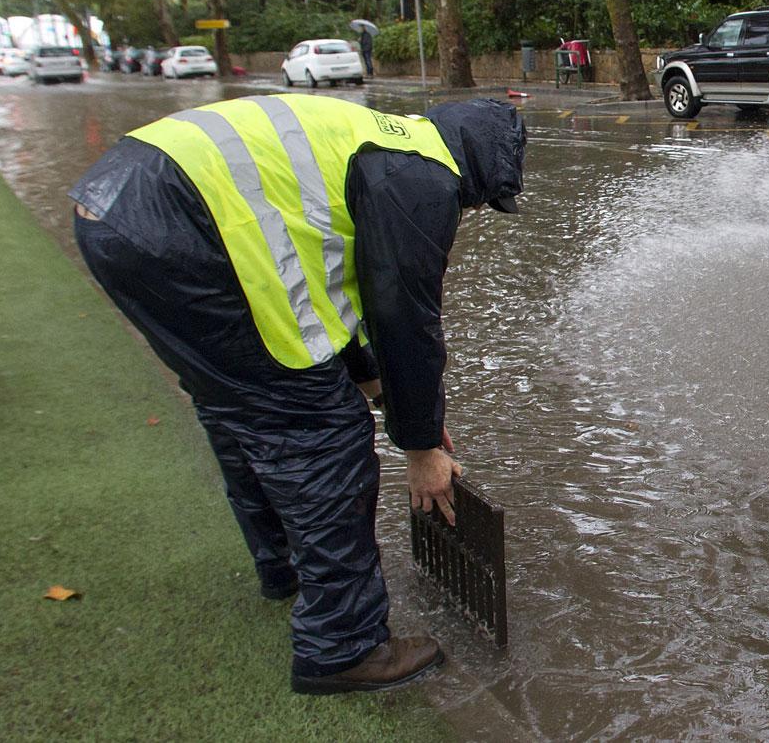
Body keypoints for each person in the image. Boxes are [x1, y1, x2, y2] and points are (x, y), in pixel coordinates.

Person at [68, 94, 525, 694]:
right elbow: (404, 318)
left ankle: (283, 566)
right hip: (182, 224)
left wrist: (387, 395)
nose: (470, 211)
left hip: (114, 210)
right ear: (478, 168)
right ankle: (342, 645)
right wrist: (421, 450)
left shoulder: (381, 144)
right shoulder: (424, 180)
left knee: (245, 405)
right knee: (323, 433)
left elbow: (336, 297)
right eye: (482, 200)